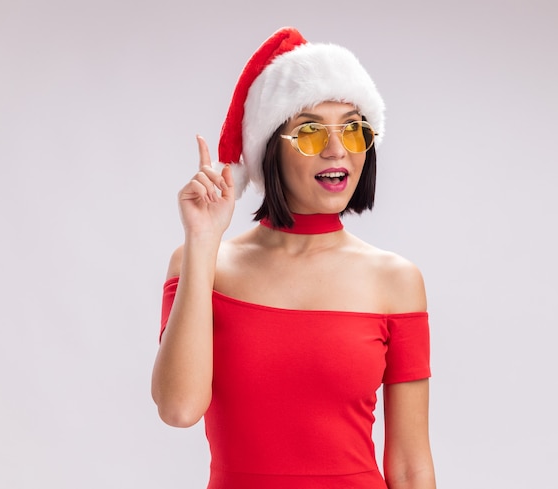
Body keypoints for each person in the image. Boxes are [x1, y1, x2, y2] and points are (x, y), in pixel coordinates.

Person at [151, 27, 436, 489]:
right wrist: (203, 240)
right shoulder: (203, 264)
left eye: (353, 128)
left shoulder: (396, 281)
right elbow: (179, 408)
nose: (336, 148)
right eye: (308, 132)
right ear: (269, 152)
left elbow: (409, 466)